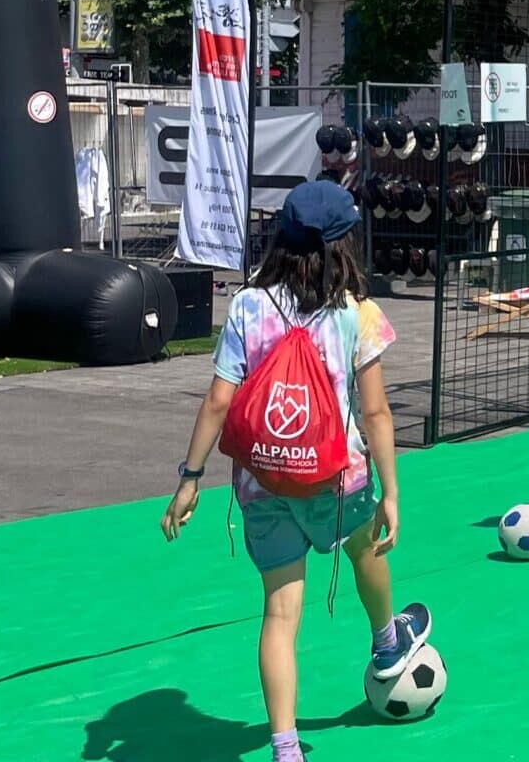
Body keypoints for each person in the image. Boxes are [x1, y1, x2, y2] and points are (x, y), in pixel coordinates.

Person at [160, 179, 429, 762]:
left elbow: (219, 400)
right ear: (344, 244)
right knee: (366, 549)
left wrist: (189, 478)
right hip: (337, 480)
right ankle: (387, 641)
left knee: (280, 614)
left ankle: (286, 750)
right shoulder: (357, 312)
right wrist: (391, 491)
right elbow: (376, 413)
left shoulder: (248, 305)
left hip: (263, 482)